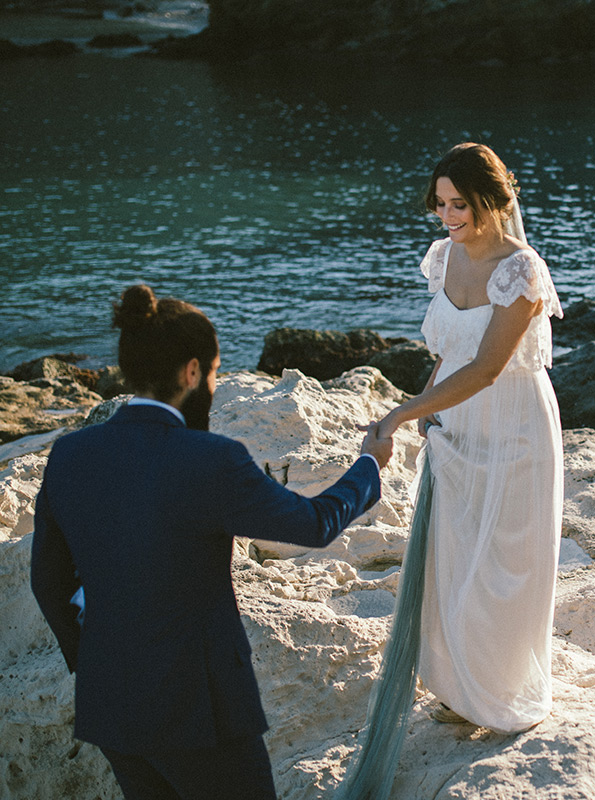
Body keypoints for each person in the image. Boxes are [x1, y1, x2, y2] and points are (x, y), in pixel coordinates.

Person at [30, 284, 393, 800]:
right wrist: (368, 465)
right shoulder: (210, 459)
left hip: (110, 701)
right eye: (217, 372)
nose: (216, 384)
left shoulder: (70, 455)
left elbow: (47, 581)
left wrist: (92, 660)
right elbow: (313, 524)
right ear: (193, 372)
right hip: (198, 711)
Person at [362, 142, 564, 736]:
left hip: (513, 424)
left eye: (460, 204)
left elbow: (486, 369)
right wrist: (428, 409)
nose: (449, 217)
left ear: (492, 200)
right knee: (453, 553)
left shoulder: (521, 269)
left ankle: (497, 690)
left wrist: (401, 412)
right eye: (441, 204)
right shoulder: (444, 256)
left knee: (505, 561)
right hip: (455, 418)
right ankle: (458, 685)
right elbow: (451, 353)